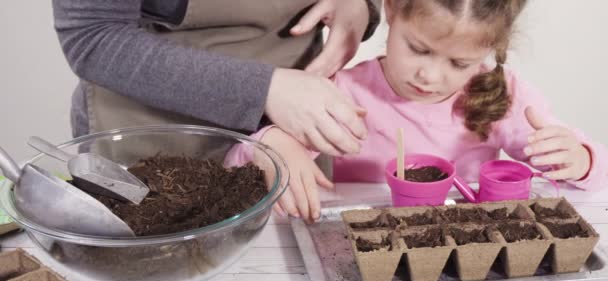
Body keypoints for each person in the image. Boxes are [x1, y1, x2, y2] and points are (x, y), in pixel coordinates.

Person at [227, 0, 608, 222]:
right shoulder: (345, 91)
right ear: (392, 9)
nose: (430, 75)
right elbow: (236, 165)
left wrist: (582, 159)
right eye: (418, 49)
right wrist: (273, 144)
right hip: (368, 236)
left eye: (459, 64)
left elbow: (595, 174)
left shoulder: (501, 96)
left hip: (465, 238)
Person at [51, 0, 382, 157]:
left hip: (295, 136)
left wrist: (362, 5)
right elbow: (93, 38)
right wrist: (264, 90)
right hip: (155, 141)